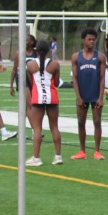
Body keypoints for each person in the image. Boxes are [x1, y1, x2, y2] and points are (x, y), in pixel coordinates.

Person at [70, 27, 107, 161]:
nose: (92, 42)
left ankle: (97, 151)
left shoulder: (100, 57)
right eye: (89, 39)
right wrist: (78, 97)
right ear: (83, 40)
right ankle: (82, 151)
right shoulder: (76, 57)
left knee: (97, 122)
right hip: (82, 95)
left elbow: (102, 78)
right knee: (81, 123)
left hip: (95, 95)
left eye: (93, 39)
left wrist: (100, 97)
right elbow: (74, 78)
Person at [25, 39, 63, 167]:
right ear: (49, 50)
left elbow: (31, 82)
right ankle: (58, 156)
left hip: (37, 99)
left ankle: (36, 158)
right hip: (52, 98)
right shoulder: (55, 64)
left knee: (37, 129)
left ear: (36, 50)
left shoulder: (30, 65)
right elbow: (56, 83)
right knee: (54, 127)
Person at [9, 33, 37, 102]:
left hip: (34, 78)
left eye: (26, 40)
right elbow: (14, 69)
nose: (24, 42)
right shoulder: (19, 53)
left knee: (33, 102)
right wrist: (11, 85)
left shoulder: (36, 53)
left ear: (32, 42)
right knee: (29, 103)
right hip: (22, 78)